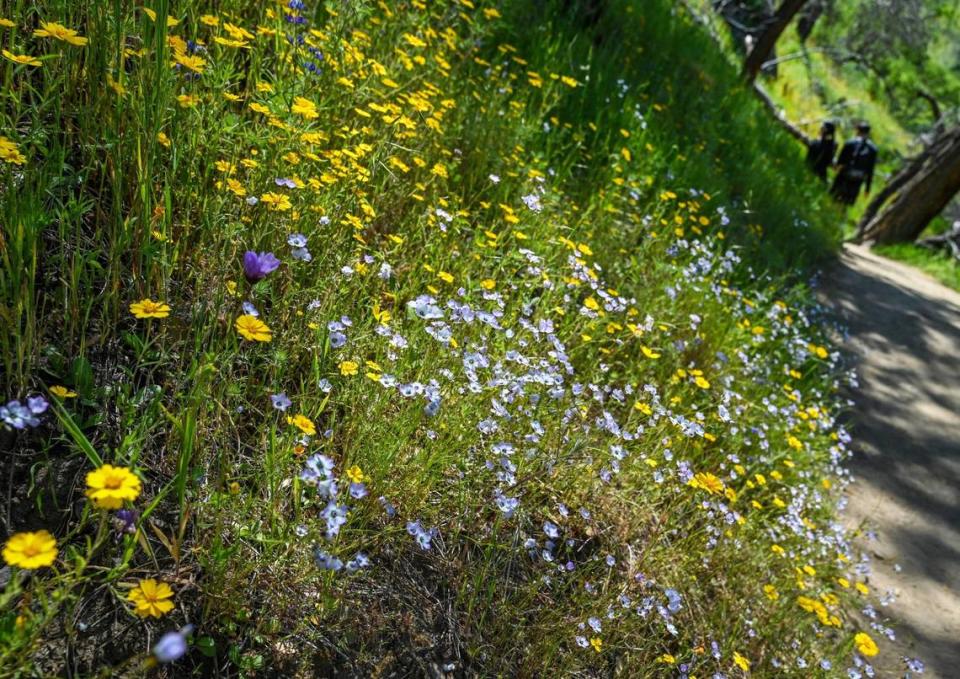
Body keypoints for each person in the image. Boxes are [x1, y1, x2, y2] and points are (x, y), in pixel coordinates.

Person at [831, 122, 878, 205]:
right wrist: (867, 188)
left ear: (857, 131)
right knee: (847, 201)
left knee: (834, 197)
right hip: (858, 179)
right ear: (868, 133)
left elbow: (840, 160)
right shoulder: (873, 149)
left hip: (845, 174)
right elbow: (870, 169)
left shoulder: (850, 142)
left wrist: (836, 167)